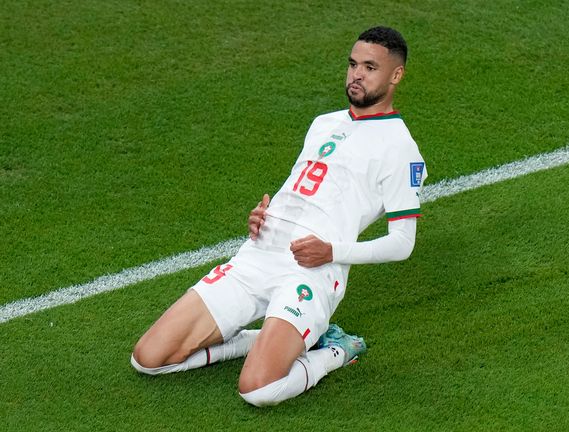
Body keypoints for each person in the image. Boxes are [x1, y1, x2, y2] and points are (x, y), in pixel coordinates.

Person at [130, 26, 427, 407]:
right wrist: (263, 214)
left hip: (311, 270)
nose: (356, 74)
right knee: (148, 359)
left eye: (370, 67)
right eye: (353, 64)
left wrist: (330, 252)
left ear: (396, 75)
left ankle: (335, 351)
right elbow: (305, 189)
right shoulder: (324, 123)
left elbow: (403, 243)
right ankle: (259, 340)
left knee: (258, 390)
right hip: (257, 254)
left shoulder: (400, 148)